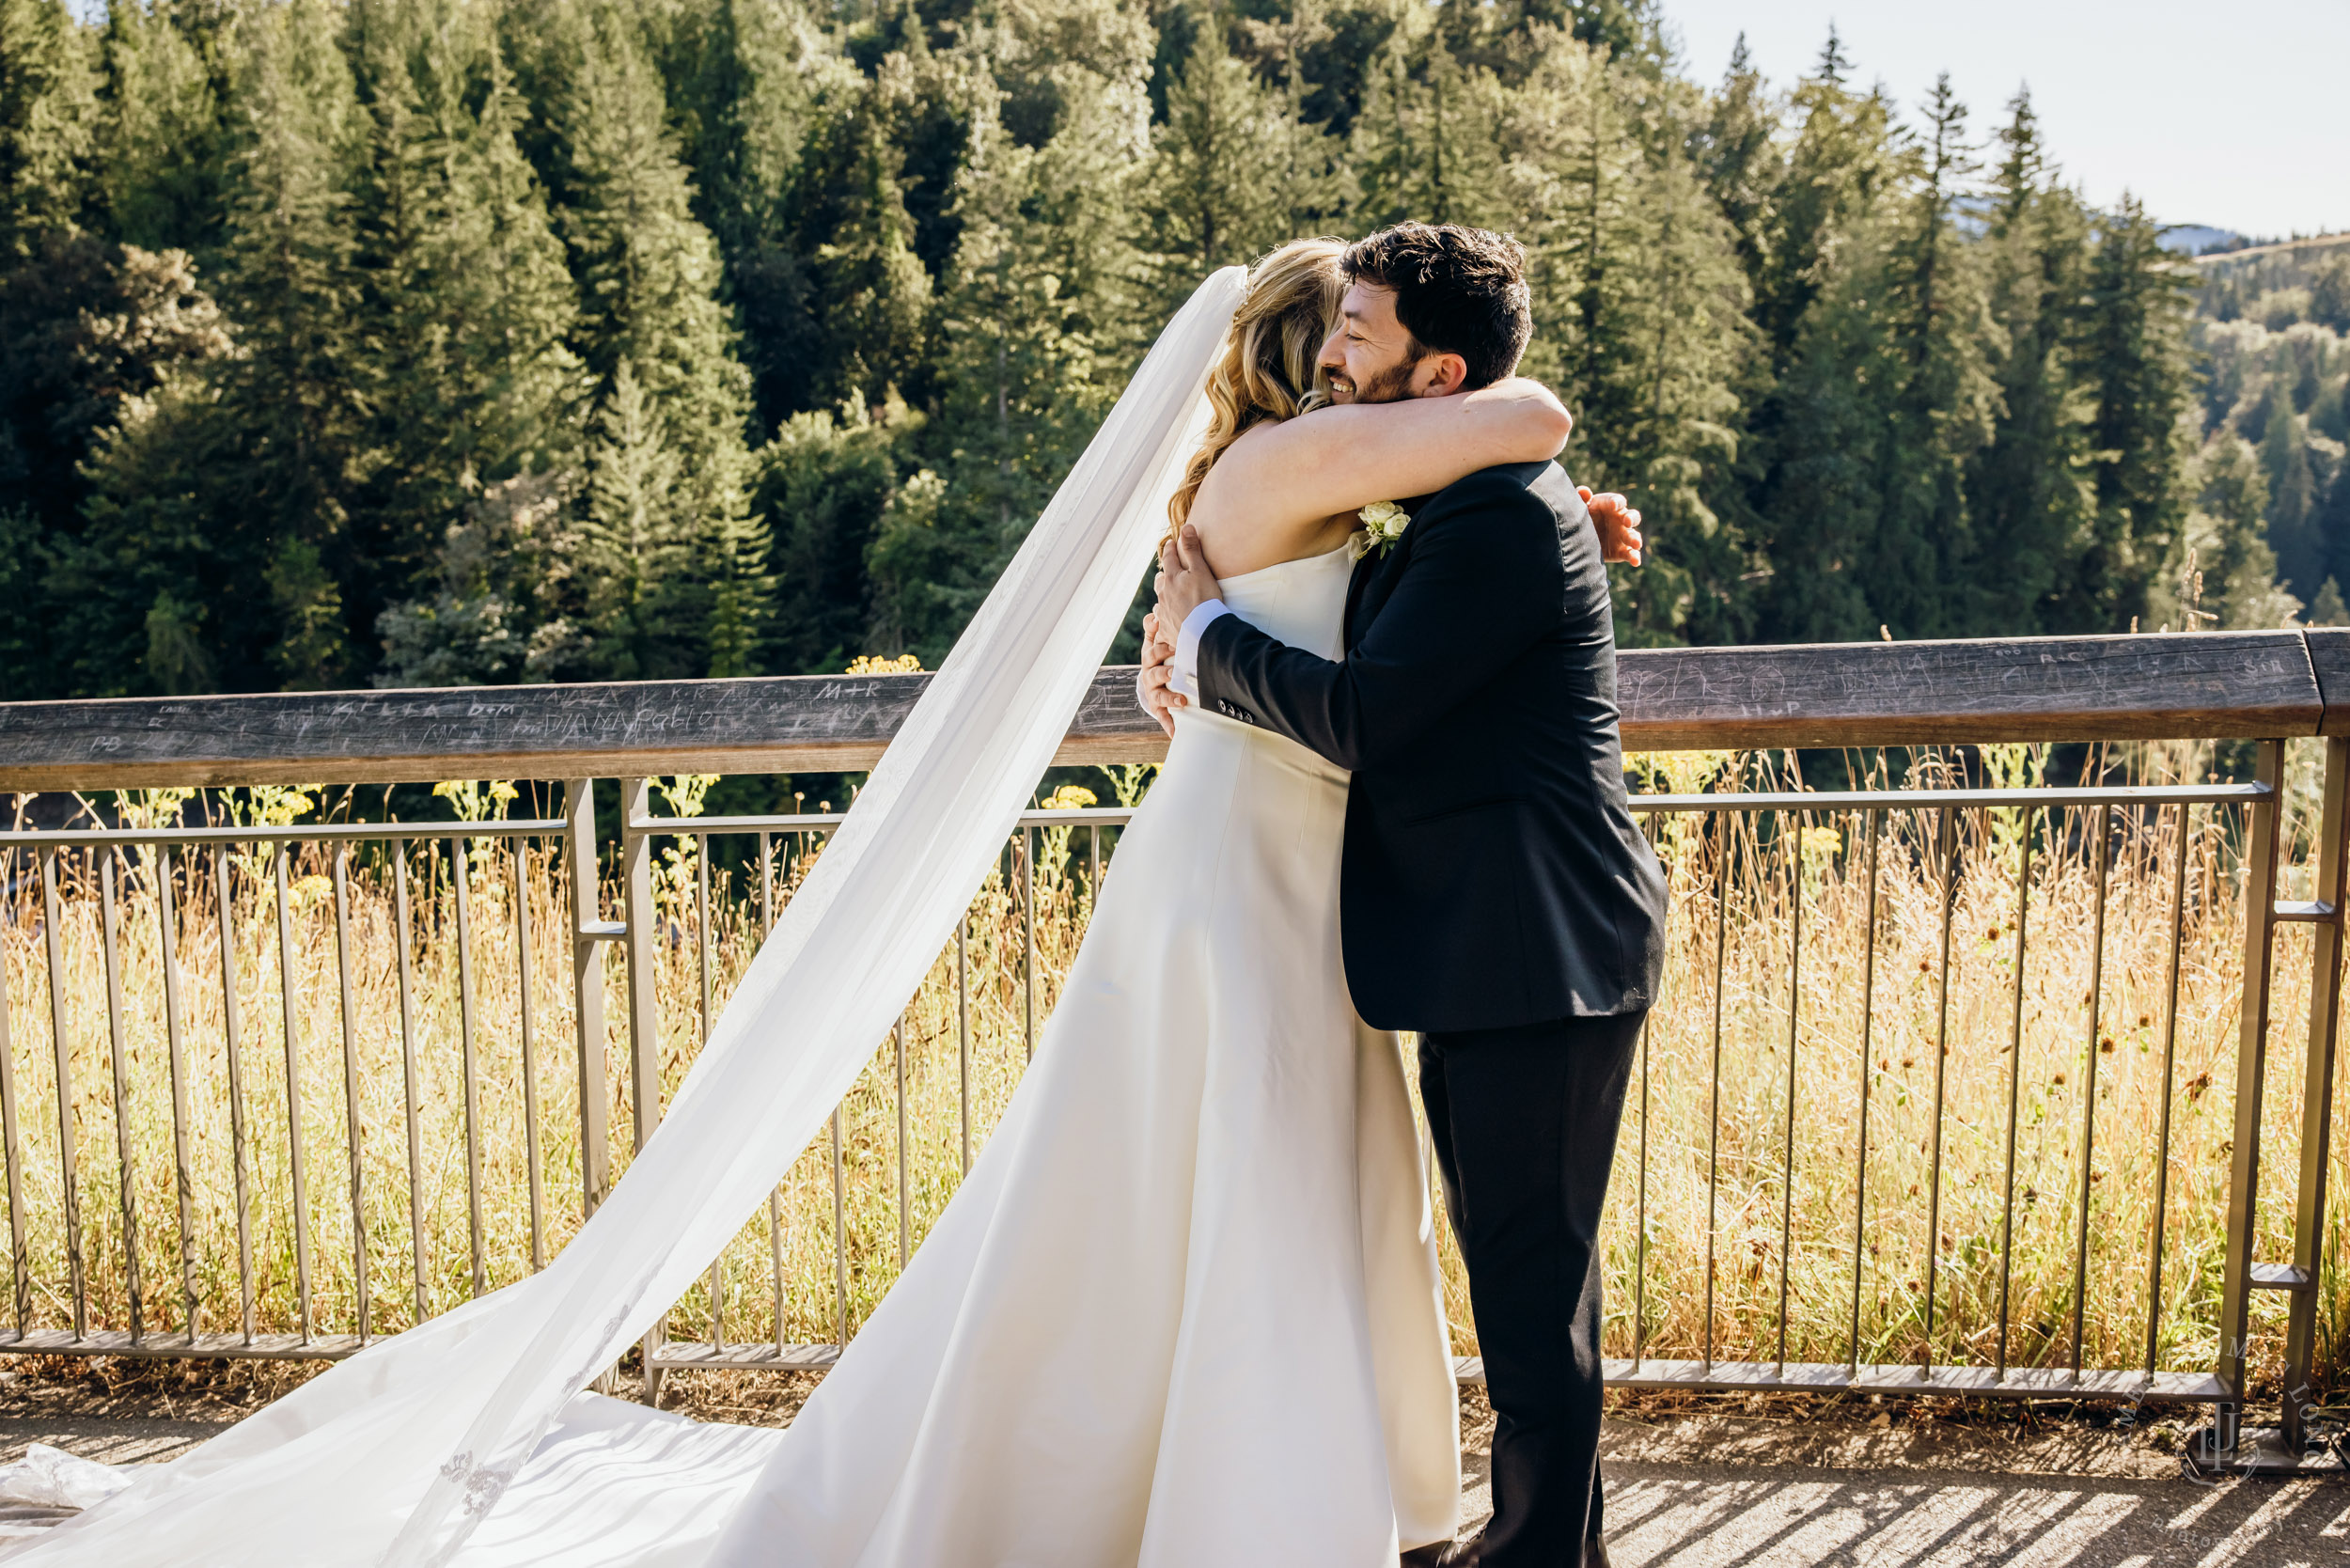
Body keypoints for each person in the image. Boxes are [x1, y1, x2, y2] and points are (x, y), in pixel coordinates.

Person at [696, 237, 1640, 1566]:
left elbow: (1423, 582)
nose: (1342, 359)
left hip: (1313, 879)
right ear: (1317, 355)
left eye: (1361, 337)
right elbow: (1526, 419)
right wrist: (1203, 638)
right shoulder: (1294, 464)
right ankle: (1245, 1497)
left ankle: (1330, 1492)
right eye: (1343, 331)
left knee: (1308, 1188)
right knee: (1246, 1175)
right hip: (1251, 870)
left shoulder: (1342, 488)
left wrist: (1553, 532)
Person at [1145, 223, 1668, 1568]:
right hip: (1491, 949)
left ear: (1438, 377)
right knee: (1528, 1273)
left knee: (1532, 1282)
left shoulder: (1493, 517)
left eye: (1360, 332)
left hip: (1538, 952)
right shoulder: (1470, 505)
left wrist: (1208, 640)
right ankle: (1563, 1551)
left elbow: (1367, 716)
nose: (1332, 349)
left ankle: (1537, 1556)